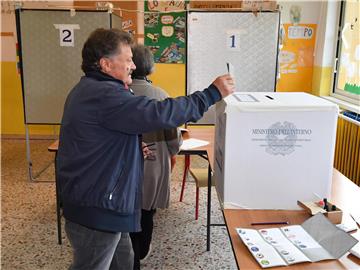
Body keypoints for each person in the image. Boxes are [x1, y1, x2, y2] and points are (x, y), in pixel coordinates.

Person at [56, 28, 235, 270]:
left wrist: (127, 146)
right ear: (106, 64)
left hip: (103, 204)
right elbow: (161, 113)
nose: (132, 65)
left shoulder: (91, 89)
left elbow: (97, 136)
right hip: (97, 210)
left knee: (126, 260)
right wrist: (211, 94)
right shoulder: (105, 95)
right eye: (127, 59)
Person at [128, 44, 182, 269]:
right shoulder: (160, 95)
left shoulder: (119, 92)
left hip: (124, 164)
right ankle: (141, 252)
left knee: (128, 209)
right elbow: (174, 138)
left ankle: (128, 252)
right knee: (147, 210)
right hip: (153, 162)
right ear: (151, 68)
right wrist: (173, 150)